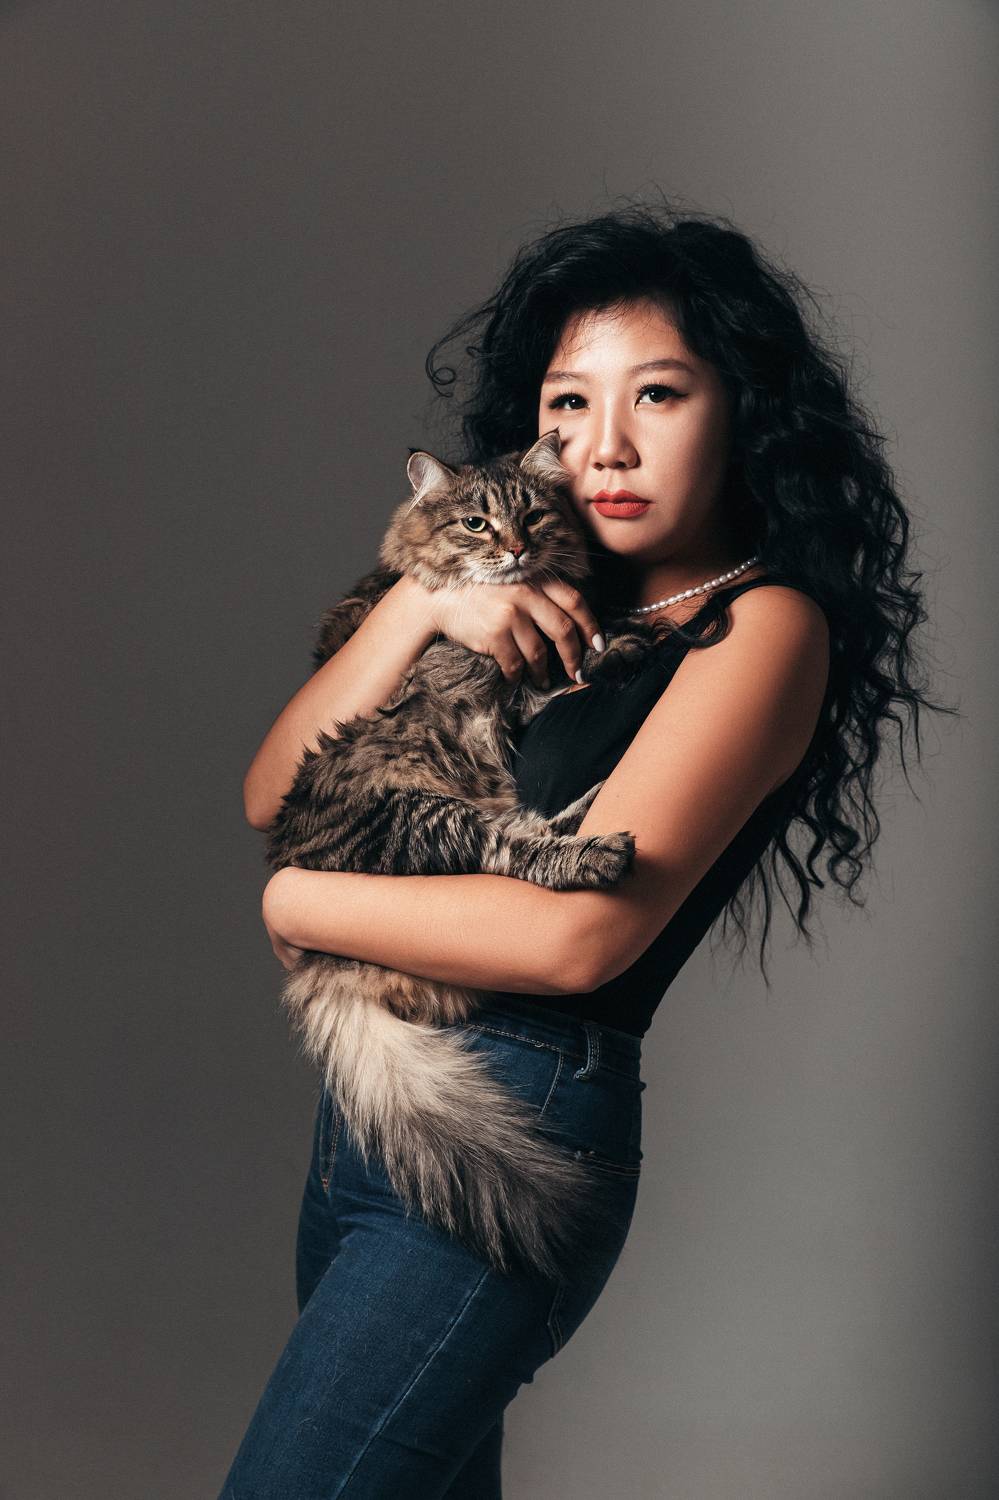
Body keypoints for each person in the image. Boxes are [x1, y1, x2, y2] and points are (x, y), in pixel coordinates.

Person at [222, 202, 947, 1498]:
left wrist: (299, 907)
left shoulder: (763, 627)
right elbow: (278, 789)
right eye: (569, 404)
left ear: (741, 409)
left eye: (657, 393)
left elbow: (578, 936)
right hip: (374, 1112)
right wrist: (421, 606)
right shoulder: (526, 588)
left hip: (513, 1109)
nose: (603, 444)